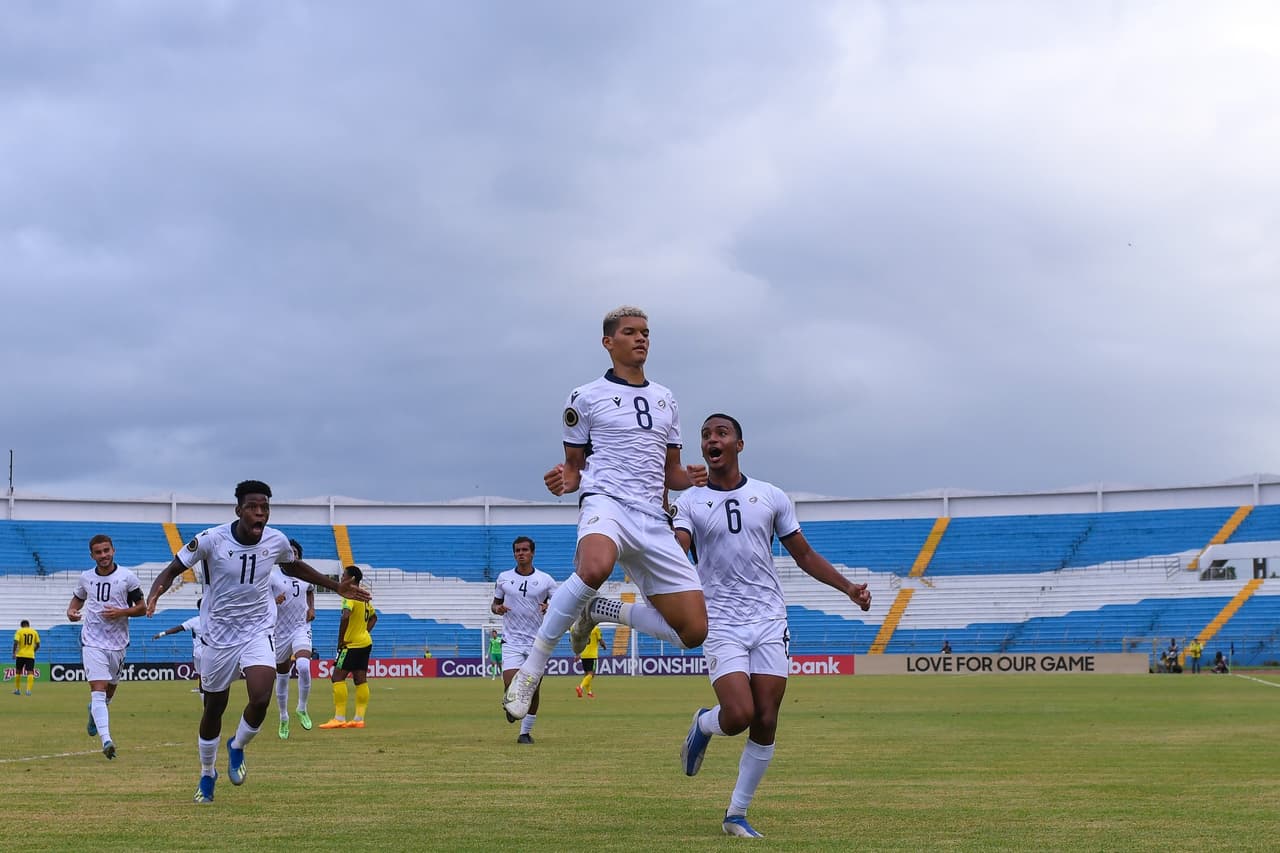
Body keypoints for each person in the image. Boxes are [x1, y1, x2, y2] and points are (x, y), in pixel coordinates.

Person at [669, 413, 871, 838]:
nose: (711, 439)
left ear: (739, 445)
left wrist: (849, 588)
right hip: (720, 622)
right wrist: (666, 532)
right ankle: (705, 723)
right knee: (738, 713)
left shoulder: (771, 496)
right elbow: (678, 549)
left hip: (768, 619)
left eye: (721, 433)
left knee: (766, 718)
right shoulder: (690, 501)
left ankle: (735, 815)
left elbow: (805, 555)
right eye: (705, 435)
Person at [503, 306, 709, 720]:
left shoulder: (666, 398)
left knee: (693, 632)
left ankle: (601, 610)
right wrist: (565, 481)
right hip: (606, 503)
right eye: (631, 332)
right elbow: (575, 471)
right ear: (608, 342)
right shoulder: (585, 397)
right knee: (595, 567)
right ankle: (532, 669)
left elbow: (671, 472)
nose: (641, 339)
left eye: (646, 333)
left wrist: (692, 477)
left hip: (653, 517)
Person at [145, 480, 369, 804]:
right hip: (217, 637)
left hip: (256, 631)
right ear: (239, 510)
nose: (260, 513)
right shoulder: (211, 540)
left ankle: (237, 745)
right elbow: (172, 570)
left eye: (264, 507)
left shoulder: (275, 540)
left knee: (261, 696)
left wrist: (334, 587)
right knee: (213, 708)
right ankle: (207, 773)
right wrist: (154, 595)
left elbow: (294, 565)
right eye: (253, 507)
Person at [69, 534, 146, 759]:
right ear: (91, 555)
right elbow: (77, 599)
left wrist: (121, 612)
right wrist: (71, 612)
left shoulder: (127, 578)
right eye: (98, 552)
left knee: (110, 690)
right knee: (98, 690)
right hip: (92, 640)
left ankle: (94, 714)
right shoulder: (85, 578)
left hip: (118, 643)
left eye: (106, 551)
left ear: (113, 550)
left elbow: (142, 608)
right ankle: (107, 740)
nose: (103, 555)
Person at [491, 536, 556, 743]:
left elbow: (560, 604)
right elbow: (494, 605)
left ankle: (525, 733)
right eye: (517, 550)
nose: (521, 553)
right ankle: (512, 705)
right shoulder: (504, 578)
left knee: (533, 688)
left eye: (525, 550)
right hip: (511, 641)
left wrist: (550, 607)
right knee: (511, 684)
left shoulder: (546, 580)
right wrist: (498, 609)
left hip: (538, 643)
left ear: (532, 553)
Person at [318, 565, 377, 730]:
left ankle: (339, 718)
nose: (341, 578)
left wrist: (341, 640)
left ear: (351, 579)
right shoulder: (362, 596)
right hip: (365, 642)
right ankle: (359, 718)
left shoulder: (350, 595)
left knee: (337, 677)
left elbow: (345, 617)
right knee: (360, 679)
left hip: (351, 644)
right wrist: (363, 632)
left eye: (343, 575)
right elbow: (373, 618)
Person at [271, 539, 317, 739]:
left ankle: (302, 708)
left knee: (304, 667)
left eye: (295, 552)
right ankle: (283, 717)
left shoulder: (306, 575)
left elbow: (310, 591)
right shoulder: (271, 575)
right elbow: (260, 601)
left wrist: (311, 607)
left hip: (300, 627)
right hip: (278, 632)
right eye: (289, 552)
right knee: (282, 677)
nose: (293, 555)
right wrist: (275, 601)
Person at [152, 598, 204, 693]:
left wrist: (162, 634)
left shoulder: (195, 621)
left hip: (199, 654)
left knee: (202, 679)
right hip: (212, 653)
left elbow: (178, 628)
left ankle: (206, 705)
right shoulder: (215, 620)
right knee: (212, 681)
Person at [576, 624, 607, 698]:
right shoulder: (596, 629)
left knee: (586, 674)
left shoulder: (584, 630)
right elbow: (601, 641)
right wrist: (604, 646)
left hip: (583, 654)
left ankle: (589, 693)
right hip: (592, 655)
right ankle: (580, 687)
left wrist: (578, 654)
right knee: (591, 674)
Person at [12, 619, 40, 696]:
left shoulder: (19, 631)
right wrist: (33, 651)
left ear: (21, 625)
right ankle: (28, 691)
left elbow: (15, 642)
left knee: (18, 672)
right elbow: (38, 644)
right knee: (30, 672)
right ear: (28, 625)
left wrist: (14, 652)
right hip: (30, 655)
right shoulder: (34, 632)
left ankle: (17, 690)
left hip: (20, 655)